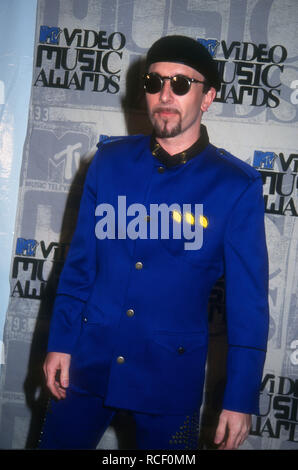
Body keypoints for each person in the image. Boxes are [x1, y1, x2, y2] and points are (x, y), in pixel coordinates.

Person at [39, 35, 269, 450]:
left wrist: (240, 398)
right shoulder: (107, 162)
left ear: (207, 97)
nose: (165, 95)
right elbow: (79, 267)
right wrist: (60, 341)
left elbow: (248, 303)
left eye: (181, 84)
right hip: (86, 364)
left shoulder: (237, 186)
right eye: (154, 82)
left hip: (170, 382)